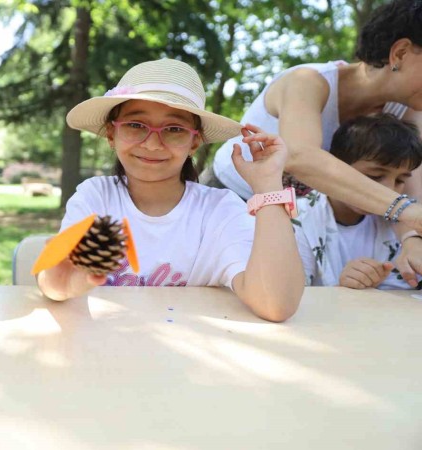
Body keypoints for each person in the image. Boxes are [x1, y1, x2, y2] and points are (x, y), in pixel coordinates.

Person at [36, 59, 304, 322]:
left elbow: (275, 304)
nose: (152, 144)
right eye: (136, 125)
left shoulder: (220, 210)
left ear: (194, 143)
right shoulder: (95, 196)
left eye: (174, 129)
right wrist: (61, 285)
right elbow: (56, 279)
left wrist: (268, 185)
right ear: (110, 134)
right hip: (105, 355)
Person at [203, 0, 422, 286]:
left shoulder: (407, 110)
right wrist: (405, 212)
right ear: (401, 52)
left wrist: (412, 239)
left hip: (300, 223)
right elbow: (300, 157)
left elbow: (410, 189)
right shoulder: (306, 82)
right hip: (231, 200)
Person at [295, 114, 422, 289]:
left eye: (400, 180)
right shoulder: (297, 219)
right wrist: (344, 287)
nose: (389, 190)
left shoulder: (401, 225)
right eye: (374, 176)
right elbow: (289, 297)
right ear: (337, 167)